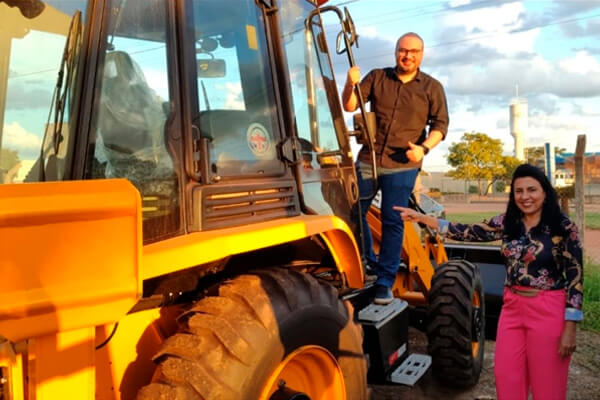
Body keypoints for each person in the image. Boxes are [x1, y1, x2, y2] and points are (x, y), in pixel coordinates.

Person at [395, 164, 583, 400]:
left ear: (545, 192)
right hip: (512, 308)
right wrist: (424, 219)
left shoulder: (564, 228)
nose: (525, 197)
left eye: (532, 190)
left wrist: (570, 328)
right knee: (507, 378)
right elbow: (470, 231)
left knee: (548, 386)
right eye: (519, 191)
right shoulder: (508, 222)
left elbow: (576, 277)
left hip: (548, 309)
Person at [341, 32, 449, 304]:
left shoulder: (432, 87)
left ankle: (384, 282)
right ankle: (368, 263)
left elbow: (440, 126)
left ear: (421, 55)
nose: (407, 55)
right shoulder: (377, 77)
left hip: (403, 164)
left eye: (414, 51)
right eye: (403, 50)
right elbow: (350, 104)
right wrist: (349, 83)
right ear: (395, 52)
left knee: (392, 220)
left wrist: (423, 149)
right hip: (370, 159)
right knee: (352, 212)